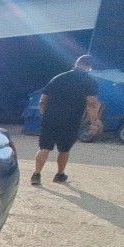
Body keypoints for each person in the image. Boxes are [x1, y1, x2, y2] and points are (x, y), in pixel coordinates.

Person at [32, 55, 101, 185]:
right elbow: (91, 105)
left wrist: (46, 114)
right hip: (71, 120)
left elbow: (43, 100)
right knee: (64, 149)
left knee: (45, 148)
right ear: (90, 67)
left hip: (50, 118)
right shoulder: (90, 82)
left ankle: (36, 175)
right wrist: (94, 124)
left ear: (77, 63)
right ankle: (59, 174)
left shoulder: (58, 78)